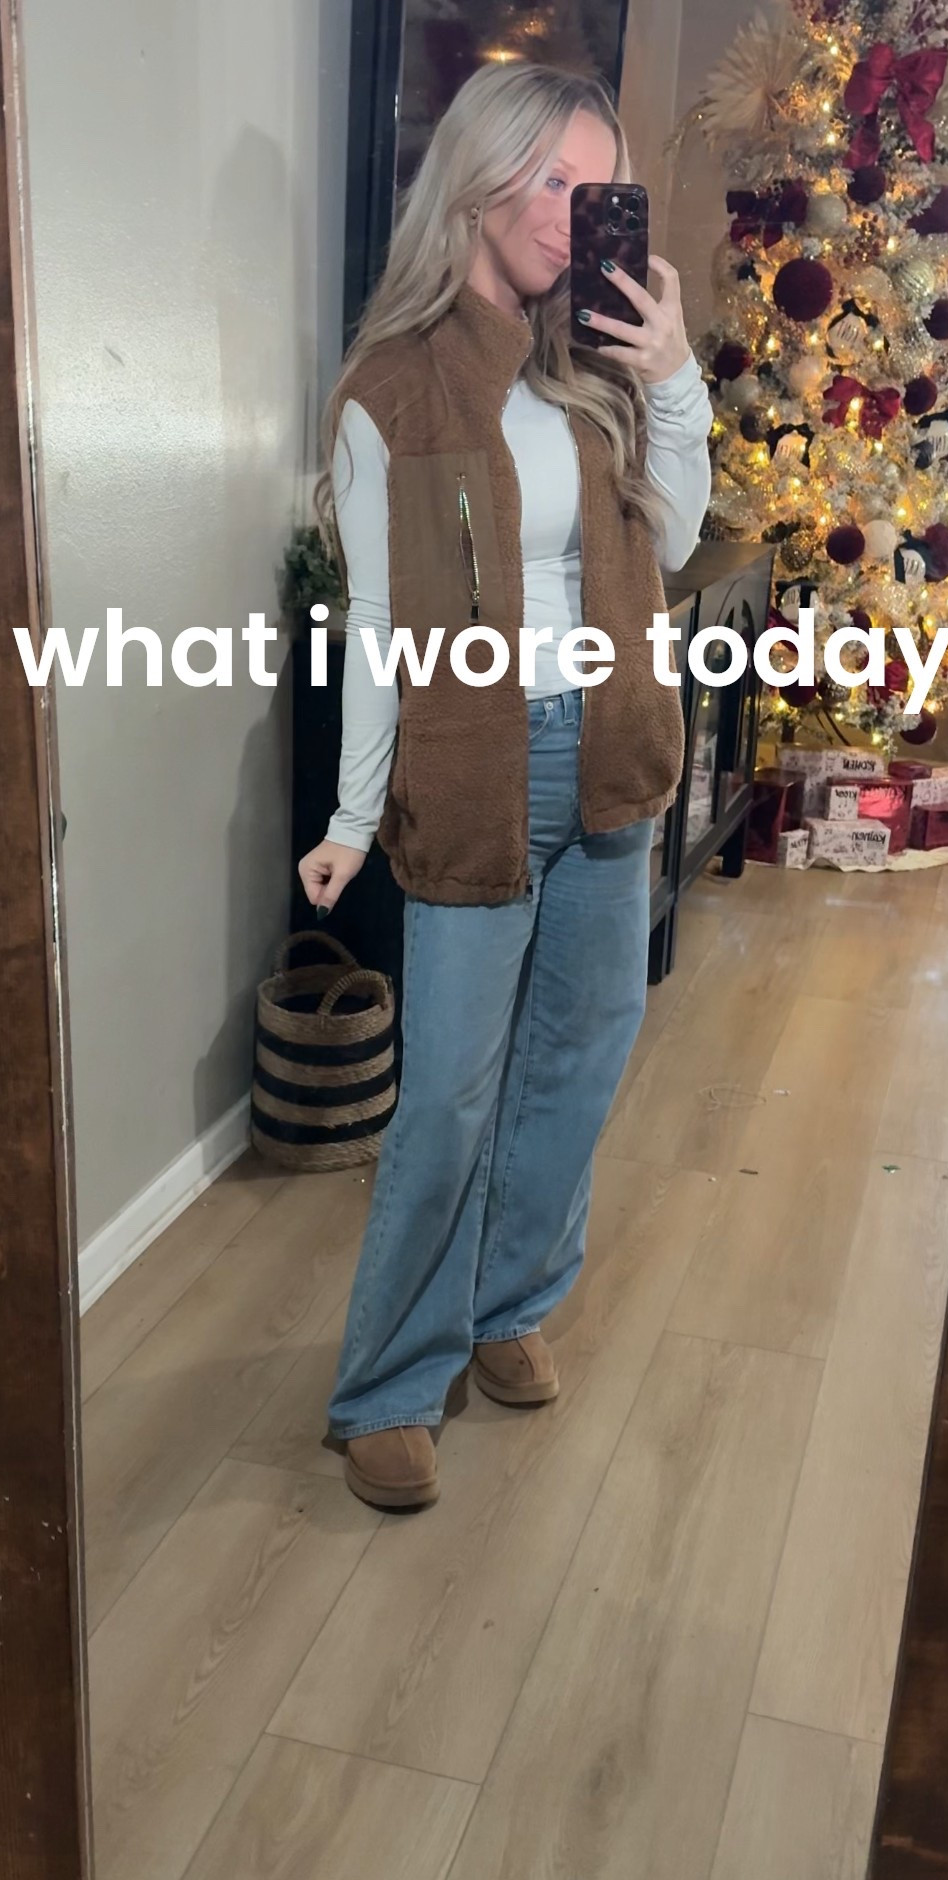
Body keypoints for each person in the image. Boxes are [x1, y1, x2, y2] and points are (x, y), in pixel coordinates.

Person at [299, 61, 712, 1511]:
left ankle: (510, 1306)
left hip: (615, 748)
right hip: (479, 770)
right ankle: (388, 1386)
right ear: (476, 180)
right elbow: (383, 626)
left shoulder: (593, 363)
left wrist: (673, 376)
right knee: (452, 1096)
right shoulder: (399, 390)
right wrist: (353, 818)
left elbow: (678, 535)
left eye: (598, 189)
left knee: (582, 1056)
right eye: (552, 181)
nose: (573, 215)